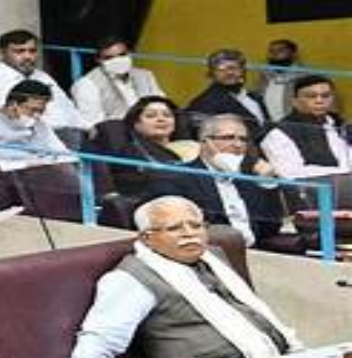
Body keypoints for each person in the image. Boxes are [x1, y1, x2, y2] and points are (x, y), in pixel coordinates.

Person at [67, 196, 302, 358]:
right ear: (147, 238)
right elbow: (99, 340)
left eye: (196, 225)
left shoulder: (213, 258)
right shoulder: (130, 278)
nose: (189, 234)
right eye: (174, 228)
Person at [148, 114, 284, 248]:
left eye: (243, 139)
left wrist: (268, 183)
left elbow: (271, 228)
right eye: (228, 138)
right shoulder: (178, 176)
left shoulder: (247, 179)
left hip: (255, 252)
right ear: (205, 141)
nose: (238, 145)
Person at [0, 29, 88, 148]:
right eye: (19, 51)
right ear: (2, 53)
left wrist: (87, 127)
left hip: (70, 138)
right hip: (29, 146)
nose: (27, 56)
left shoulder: (42, 76)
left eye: (32, 51)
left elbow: (67, 107)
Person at [0, 79, 74, 170]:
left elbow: (62, 152)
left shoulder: (39, 124)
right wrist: (23, 165)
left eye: (41, 111)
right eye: (32, 110)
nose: (37, 116)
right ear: (13, 105)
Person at [260, 75, 352, 179]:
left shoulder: (340, 124)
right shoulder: (279, 133)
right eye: (311, 96)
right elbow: (290, 173)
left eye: (325, 96)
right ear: (294, 101)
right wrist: (346, 172)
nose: (319, 101)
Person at [92, 96, 184, 197]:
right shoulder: (124, 147)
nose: (161, 119)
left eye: (167, 115)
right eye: (150, 116)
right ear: (135, 124)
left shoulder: (191, 148)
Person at [71, 36, 164, 127]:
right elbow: (94, 123)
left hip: (153, 126)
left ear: (130, 53)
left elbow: (162, 103)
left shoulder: (145, 75)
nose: (118, 60)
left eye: (122, 55)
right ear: (99, 60)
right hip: (119, 133)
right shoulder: (87, 84)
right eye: (109, 58)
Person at [186, 49, 271, 142]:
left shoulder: (255, 98)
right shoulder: (202, 103)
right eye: (221, 69)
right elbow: (202, 138)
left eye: (234, 68)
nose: (229, 73)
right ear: (211, 74)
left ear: (244, 71)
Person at [256, 39, 306, 121]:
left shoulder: (304, 77)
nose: (275, 54)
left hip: (292, 125)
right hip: (267, 124)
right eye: (271, 51)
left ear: (293, 54)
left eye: (281, 50)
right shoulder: (264, 76)